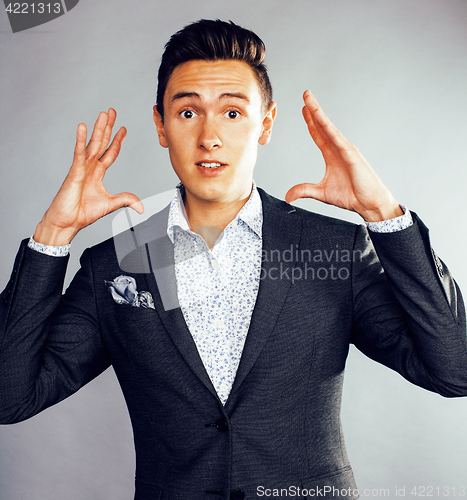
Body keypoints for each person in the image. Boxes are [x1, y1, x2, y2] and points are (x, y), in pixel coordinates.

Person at [0, 19, 466, 500]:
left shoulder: (332, 250)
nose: (209, 137)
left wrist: (384, 215)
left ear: (265, 123)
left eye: (232, 113)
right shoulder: (118, 262)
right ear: (160, 125)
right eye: (187, 113)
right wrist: (52, 236)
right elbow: (10, 397)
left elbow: (454, 370)